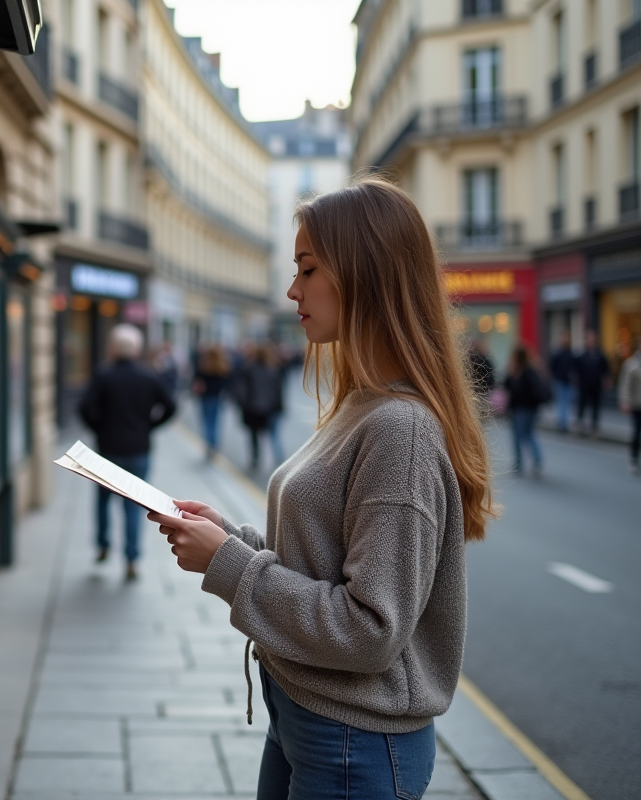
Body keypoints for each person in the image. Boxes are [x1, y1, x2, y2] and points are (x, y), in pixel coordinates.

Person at [147, 179, 493, 799]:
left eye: (308, 269)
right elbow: (325, 558)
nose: (292, 290)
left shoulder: (399, 429)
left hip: (354, 741)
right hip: (308, 716)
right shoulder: (364, 405)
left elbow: (370, 629)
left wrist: (228, 565)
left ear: (365, 275)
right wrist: (231, 537)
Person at [79, 324, 177, 579]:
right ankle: (132, 558)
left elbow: (84, 408)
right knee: (132, 506)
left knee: (102, 501)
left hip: (107, 450)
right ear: (137, 349)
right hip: (138, 449)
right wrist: (149, 426)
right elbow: (171, 406)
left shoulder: (104, 375)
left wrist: (99, 428)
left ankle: (103, 545)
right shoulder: (148, 376)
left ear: (113, 347)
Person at [231, 342, 285, 469]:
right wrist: (280, 406)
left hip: (252, 408)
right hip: (271, 407)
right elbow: (279, 391)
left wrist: (243, 404)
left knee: (253, 435)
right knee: (274, 433)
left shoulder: (248, 368)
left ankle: (255, 458)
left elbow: (240, 390)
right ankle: (279, 457)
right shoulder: (273, 369)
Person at [503, 345, 548, 476]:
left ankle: (525, 463)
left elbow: (520, 390)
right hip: (522, 408)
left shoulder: (526, 372)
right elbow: (506, 385)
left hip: (524, 408)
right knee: (525, 435)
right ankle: (530, 462)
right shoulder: (522, 371)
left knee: (522, 435)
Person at [618, 335, 641, 474]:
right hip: (638, 405)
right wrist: (625, 401)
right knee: (637, 434)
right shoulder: (632, 364)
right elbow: (625, 385)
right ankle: (634, 460)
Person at [192, 343, 231, 458]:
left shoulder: (203, 365)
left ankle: (209, 445)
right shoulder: (222, 366)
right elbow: (227, 383)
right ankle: (214, 444)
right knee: (215, 423)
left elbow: (196, 380)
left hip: (205, 397)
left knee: (207, 422)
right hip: (218, 397)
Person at [574, 330, 610, 437]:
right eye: (589, 340)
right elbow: (576, 369)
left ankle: (594, 428)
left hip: (596, 385)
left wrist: (606, 380)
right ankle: (580, 425)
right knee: (582, 405)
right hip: (584, 385)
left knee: (596, 407)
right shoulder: (581, 355)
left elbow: (605, 369)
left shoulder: (600, 355)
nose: (591, 342)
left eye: (592, 340)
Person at [547, 331, 575, 432]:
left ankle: (565, 422)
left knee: (567, 402)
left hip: (568, 381)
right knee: (560, 402)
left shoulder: (570, 353)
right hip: (559, 381)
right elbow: (552, 367)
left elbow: (574, 366)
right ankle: (561, 422)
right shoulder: (557, 353)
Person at [466, 339, 495, 408]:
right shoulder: (485, 360)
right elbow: (491, 377)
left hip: (471, 392)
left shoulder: (469, 360)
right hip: (483, 392)